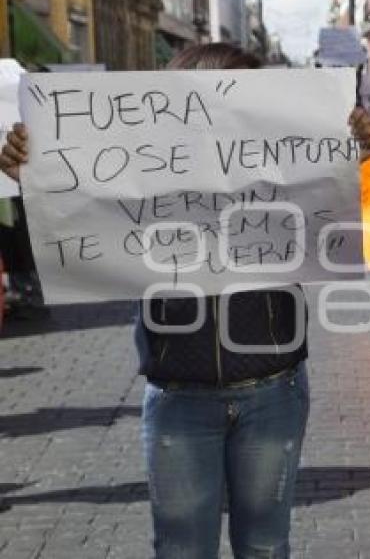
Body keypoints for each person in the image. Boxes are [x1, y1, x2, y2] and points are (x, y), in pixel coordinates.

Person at [0, 44, 312, 558]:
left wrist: (363, 163)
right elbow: (77, 225)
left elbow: (365, 228)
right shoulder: (140, 176)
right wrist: (33, 177)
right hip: (179, 398)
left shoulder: (284, 169)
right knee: (181, 550)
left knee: (264, 546)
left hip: (273, 391)